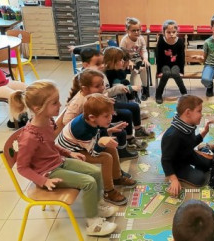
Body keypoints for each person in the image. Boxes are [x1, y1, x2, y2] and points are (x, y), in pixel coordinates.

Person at [10, 80, 117, 236]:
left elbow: (50, 144)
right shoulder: (29, 138)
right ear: (37, 108)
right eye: (54, 103)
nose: (60, 105)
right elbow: (22, 168)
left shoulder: (48, 122)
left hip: (59, 161)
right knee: (88, 182)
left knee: (95, 172)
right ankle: (93, 224)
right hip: (47, 173)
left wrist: (68, 153)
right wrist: (43, 181)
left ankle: (96, 204)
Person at [57, 93, 138, 206]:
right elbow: (94, 152)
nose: (110, 118)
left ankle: (117, 178)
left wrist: (110, 130)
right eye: (106, 116)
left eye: (111, 114)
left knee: (111, 149)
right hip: (70, 153)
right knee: (106, 158)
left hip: (80, 146)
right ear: (92, 117)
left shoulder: (92, 120)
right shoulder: (82, 130)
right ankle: (109, 191)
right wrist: (101, 142)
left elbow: (99, 131)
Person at [64, 69, 138, 159]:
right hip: (84, 136)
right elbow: (66, 121)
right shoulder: (78, 102)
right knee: (118, 135)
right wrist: (83, 121)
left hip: (95, 124)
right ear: (85, 89)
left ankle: (122, 151)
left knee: (121, 130)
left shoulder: (95, 94)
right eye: (97, 86)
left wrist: (108, 111)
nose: (102, 87)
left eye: (102, 84)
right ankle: (122, 152)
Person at [161, 95, 214, 197]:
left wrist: (204, 132)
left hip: (188, 154)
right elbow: (165, 160)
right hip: (177, 165)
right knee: (200, 179)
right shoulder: (172, 135)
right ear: (188, 112)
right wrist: (173, 179)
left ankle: (200, 155)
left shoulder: (189, 126)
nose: (201, 115)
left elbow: (190, 142)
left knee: (209, 164)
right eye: (199, 111)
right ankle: (180, 174)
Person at [102, 46, 155, 141]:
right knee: (127, 113)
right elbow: (110, 91)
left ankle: (138, 130)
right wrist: (128, 88)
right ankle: (129, 139)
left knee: (134, 106)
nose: (122, 61)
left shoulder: (115, 70)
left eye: (123, 59)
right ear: (112, 61)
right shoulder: (108, 74)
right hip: (109, 102)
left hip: (111, 100)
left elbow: (120, 80)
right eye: (120, 60)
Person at [155, 19, 187, 104]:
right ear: (164, 32)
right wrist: (159, 71)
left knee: (175, 74)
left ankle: (184, 94)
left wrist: (181, 71)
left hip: (176, 65)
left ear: (177, 32)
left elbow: (181, 57)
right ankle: (158, 94)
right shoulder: (161, 41)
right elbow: (158, 57)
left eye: (173, 32)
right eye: (168, 32)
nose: (171, 34)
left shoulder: (180, 41)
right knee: (166, 74)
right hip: (164, 65)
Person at [119, 17, 150, 101]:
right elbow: (122, 53)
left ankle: (145, 90)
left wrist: (146, 59)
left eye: (138, 30)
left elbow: (144, 50)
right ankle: (134, 92)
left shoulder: (141, 38)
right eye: (133, 30)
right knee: (134, 72)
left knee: (143, 68)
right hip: (126, 59)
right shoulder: (124, 40)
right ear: (127, 31)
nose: (137, 32)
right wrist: (128, 61)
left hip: (137, 59)